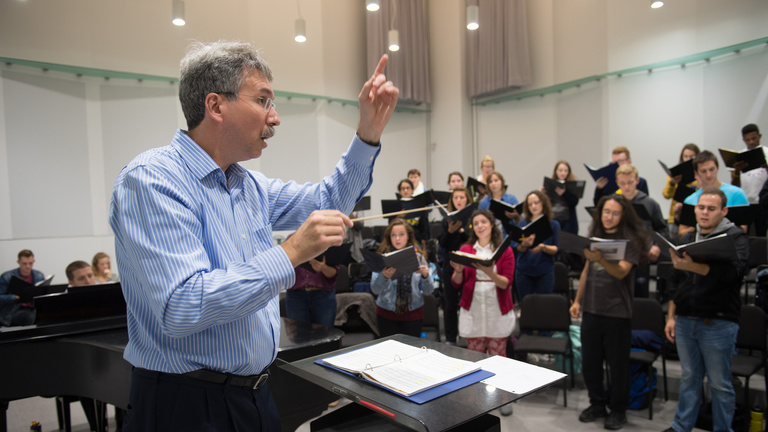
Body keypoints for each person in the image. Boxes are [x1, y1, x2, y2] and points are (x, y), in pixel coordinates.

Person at [108, 41, 398, 431]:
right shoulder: (152, 181)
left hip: (253, 393)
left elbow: (330, 201)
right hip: (185, 402)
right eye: (263, 100)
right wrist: (291, 252)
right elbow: (182, 306)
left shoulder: (250, 187)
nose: (274, 117)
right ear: (215, 106)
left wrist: (368, 133)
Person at [662, 188, 748, 432]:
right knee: (689, 378)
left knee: (720, 385)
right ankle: (682, 426)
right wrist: (671, 316)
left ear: (724, 211)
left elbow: (734, 275)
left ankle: (723, 429)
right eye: (701, 208)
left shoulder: (735, 238)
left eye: (711, 209)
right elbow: (675, 282)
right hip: (686, 318)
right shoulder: (688, 239)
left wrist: (693, 266)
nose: (705, 213)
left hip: (718, 321)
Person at [570, 194, 648, 430]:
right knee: (591, 363)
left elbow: (622, 272)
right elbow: (585, 271)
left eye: (615, 213)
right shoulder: (596, 237)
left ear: (623, 215)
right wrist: (577, 300)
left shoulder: (631, 241)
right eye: (606, 212)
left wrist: (601, 259)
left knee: (617, 365)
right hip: (592, 311)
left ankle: (618, 409)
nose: (609, 217)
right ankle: (597, 404)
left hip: (617, 313)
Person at [450, 209, 516, 356]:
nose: (480, 226)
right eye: (476, 224)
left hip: (497, 308)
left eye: (484, 222)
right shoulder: (466, 249)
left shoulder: (505, 251)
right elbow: (456, 283)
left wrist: (490, 273)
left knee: (498, 359)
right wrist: (459, 271)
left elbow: (506, 283)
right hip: (473, 308)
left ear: (491, 224)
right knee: (475, 359)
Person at [369, 219, 434, 338]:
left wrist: (425, 276)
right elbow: (375, 289)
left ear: (408, 236)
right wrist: (384, 276)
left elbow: (428, 291)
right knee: (390, 352)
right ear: (389, 237)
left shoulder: (418, 258)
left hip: (413, 313)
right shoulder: (382, 258)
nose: (397, 239)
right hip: (386, 313)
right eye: (393, 235)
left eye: (401, 234)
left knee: (411, 352)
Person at [65, 260, 110, 432]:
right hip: (79, 360)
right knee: (85, 383)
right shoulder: (65, 305)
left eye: (90, 275)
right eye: (81, 278)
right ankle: (95, 426)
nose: (89, 281)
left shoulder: (104, 295)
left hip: (105, 352)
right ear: (72, 282)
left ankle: (121, 422)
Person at [615, 164, 668, 298]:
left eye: (630, 182)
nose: (626, 187)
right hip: (618, 256)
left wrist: (656, 246)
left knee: (639, 296)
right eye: (622, 183)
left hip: (642, 257)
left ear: (637, 181)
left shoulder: (650, 203)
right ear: (617, 183)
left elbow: (662, 229)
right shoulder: (613, 202)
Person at [679, 150, 749, 237]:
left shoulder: (737, 193)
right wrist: (702, 228)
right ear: (696, 173)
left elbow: (743, 229)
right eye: (703, 171)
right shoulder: (689, 200)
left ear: (717, 168)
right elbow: (681, 233)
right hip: (699, 246)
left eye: (711, 169)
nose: (708, 175)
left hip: (729, 244)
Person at [438, 187, 473, 345]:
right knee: (450, 304)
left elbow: (472, 240)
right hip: (450, 264)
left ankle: (468, 335)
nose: (459, 200)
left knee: (469, 302)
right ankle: (451, 338)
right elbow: (442, 244)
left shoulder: (473, 219)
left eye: (462, 197)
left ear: (467, 200)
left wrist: (461, 231)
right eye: (456, 197)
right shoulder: (446, 219)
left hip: (469, 265)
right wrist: (451, 231)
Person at [514, 191, 560, 304]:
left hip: (544, 270)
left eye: (536, 203)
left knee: (544, 306)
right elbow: (516, 248)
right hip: (524, 270)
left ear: (543, 203)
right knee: (525, 305)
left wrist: (542, 247)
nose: (533, 206)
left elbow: (557, 249)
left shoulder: (553, 224)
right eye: (530, 204)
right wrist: (524, 245)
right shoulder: (522, 224)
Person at [285, 234, 338, 328]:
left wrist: (323, 268)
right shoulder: (291, 239)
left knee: (325, 335)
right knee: (298, 336)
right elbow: (283, 267)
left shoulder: (328, 239)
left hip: (323, 295)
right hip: (296, 295)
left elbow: (334, 273)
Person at [730, 123, 767, 236]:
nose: (751, 142)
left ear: (759, 136)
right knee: (745, 235)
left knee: (762, 234)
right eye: (748, 139)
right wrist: (736, 171)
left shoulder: (766, 152)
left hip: (764, 202)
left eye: (754, 138)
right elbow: (735, 186)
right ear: (743, 140)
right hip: (746, 203)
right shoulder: (740, 156)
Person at [662, 143, 699, 238]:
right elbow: (666, 195)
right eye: (685, 156)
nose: (687, 159)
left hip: (692, 217)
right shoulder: (676, 174)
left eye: (691, 157)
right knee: (673, 243)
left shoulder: (699, 176)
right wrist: (672, 183)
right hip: (674, 216)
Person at [0, 249, 45, 327]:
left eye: (30, 263)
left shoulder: (39, 275)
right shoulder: (7, 276)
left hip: (34, 308)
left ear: (33, 261)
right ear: (18, 262)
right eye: (24, 263)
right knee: (29, 316)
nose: (28, 266)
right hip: (14, 311)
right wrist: (15, 297)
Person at [397, 178, 430, 252]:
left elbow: (424, 229)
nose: (405, 190)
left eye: (408, 188)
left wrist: (424, 249)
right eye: (403, 188)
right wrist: (398, 217)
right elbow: (391, 225)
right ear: (399, 191)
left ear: (412, 190)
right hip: (400, 243)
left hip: (417, 243)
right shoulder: (396, 206)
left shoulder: (419, 205)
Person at [548, 160, 580, 234]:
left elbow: (574, 202)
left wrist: (564, 193)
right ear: (556, 171)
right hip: (554, 218)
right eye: (560, 170)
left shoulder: (572, 185)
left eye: (566, 171)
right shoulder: (550, 185)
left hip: (568, 221)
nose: (563, 173)